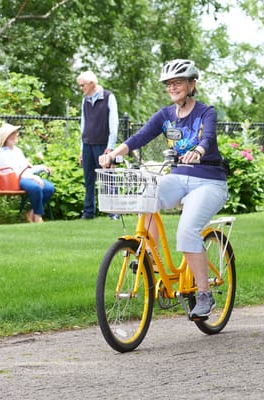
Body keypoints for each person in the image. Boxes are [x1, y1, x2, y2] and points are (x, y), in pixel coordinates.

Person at [99, 59, 229, 318]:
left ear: (192, 84)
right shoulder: (166, 115)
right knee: (147, 195)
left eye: (178, 82)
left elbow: (208, 137)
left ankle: (204, 294)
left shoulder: (206, 112)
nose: (173, 87)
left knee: (187, 231)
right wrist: (114, 153)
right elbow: (139, 137)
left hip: (209, 181)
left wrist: (199, 150)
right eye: (169, 84)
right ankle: (148, 255)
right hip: (179, 178)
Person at [77, 70, 119, 220]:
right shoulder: (85, 100)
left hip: (103, 146)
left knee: (108, 179)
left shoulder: (109, 97)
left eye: (82, 86)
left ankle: (114, 213)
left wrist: (110, 147)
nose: (81, 88)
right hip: (87, 145)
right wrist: (82, 149)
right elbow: (83, 124)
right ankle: (88, 213)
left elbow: (114, 124)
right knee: (89, 181)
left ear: (92, 84)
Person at [0, 123, 55, 224]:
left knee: (49, 188)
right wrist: (33, 178)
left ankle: (32, 212)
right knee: (36, 187)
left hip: (24, 177)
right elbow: (16, 172)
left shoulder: (17, 151)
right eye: (13, 133)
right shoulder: (3, 153)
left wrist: (42, 167)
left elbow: (26, 167)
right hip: (14, 180)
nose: (16, 135)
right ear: (7, 137)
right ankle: (38, 216)